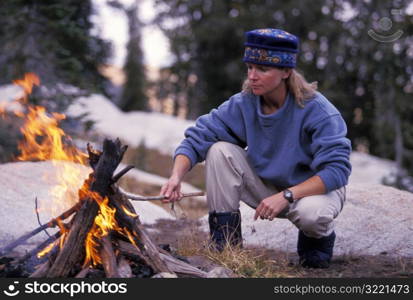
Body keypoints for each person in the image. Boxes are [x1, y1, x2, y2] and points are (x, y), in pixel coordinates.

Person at [160, 28, 352, 269]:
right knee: (219, 150)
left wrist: (287, 195)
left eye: (262, 69)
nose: (252, 76)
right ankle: (225, 246)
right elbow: (199, 136)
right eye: (250, 67)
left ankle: (317, 242)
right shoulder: (245, 102)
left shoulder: (319, 111)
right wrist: (176, 176)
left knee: (312, 216)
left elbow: (337, 170)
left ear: (286, 71)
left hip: (312, 190)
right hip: (268, 185)